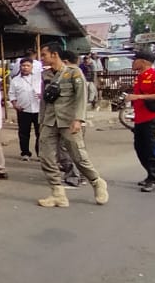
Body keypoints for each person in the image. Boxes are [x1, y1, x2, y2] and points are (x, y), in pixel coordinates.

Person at [37, 43, 109, 208]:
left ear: (55, 54)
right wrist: (41, 120)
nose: (42, 58)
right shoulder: (45, 74)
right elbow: (44, 100)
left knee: (78, 156)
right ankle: (58, 193)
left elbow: (81, 97)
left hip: (69, 121)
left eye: (44, 55)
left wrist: (78, 119)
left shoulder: (73, 72)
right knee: (46, 156)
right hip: (50, 120)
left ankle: (97, 182)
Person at [127, 48, 155, 193]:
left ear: (143, 62)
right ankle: (150, 174)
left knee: (152, 149)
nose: (133, 63)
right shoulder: (139, 77)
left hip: (153, 118)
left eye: (135, 60)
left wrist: (139, 97)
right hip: (140, 118)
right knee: (140, 148)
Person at [9, 58, 42, 160]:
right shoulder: (15, 80)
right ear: (20, 67)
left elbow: (45, 90)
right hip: (23, 110)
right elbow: (11, 94)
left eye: (28, 66)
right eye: (23, 66)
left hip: (38, 109)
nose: (25, 68)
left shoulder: (38, 78)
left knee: (40, 133)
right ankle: (25, 153)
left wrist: (42, 95)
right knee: (24, 133)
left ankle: (40, 154)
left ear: (32, 67)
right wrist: (15, 105)